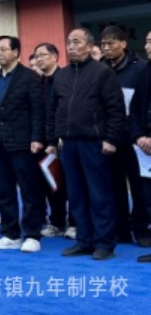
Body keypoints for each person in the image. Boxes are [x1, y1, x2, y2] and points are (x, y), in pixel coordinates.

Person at [48, 28, 125, 260]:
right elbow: (54, 110)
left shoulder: (102, 72)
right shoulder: (61, 75)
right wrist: (55, 137)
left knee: (99, 194)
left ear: (90, 46)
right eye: (68, 42)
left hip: (95, 143)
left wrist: (111, 139)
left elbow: (116, 109)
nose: (71, 46)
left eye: (76, 42)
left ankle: (104, 243)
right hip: (68, 144)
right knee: (76, 195)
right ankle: (84, 240)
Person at [0, 36, 45, 253]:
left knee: (29, 189)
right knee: (4, 190)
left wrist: (37, 138)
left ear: (16, 52)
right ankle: (11, 234)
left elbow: (38, 110)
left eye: (3, 49)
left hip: (23, 143)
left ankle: (32, 235)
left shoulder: (30, 77)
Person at [99, 25, 151, 246]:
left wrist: (139, 134)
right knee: (114, 187)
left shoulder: (141, 68)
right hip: (109, 138)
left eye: (111, 43)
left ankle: (141, 230)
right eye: (103, 44)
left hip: (135, 139)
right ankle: (121, 230)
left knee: (140, 188)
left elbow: (141, 106)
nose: (106, 48)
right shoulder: (99, 69)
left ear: (123, 44)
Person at [34, 43, 76, 240]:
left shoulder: (65, 78)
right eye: (36, 56)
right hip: (42, 140)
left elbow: (64, 110)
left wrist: (57, 137)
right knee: (51, 182)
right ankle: (56, 222)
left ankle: (74, 223)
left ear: (55, 56)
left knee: (71, 183)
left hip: (62, 139)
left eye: (43, 55)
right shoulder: (37, 82)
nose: (39, 59)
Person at [128, 30, 151, 263]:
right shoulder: (144, 71)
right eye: (146, 42)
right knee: (147, 196)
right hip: (145, 147)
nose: (146, 46)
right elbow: (134, 110)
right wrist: (139, 136)